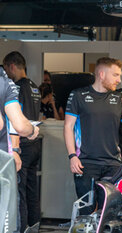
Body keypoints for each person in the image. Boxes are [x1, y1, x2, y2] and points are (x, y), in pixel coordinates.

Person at [64, 57, 122, 215]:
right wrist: (72, 156)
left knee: (109, 213)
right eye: (116, 75)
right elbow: (68, 127)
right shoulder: (78, 95)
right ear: (102, 74)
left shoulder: (119, 98)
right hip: (85, 163)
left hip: (113, 164)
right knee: (86, 212)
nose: (119, 80)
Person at [3, 51, 41, 233]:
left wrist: (15, 148)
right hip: (34, 144)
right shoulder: (35, 87)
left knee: (20, 193)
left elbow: (14, 122)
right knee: (33, 190)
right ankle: (34, 226)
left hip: (21, 145)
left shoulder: (15, 87)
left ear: (11, 66)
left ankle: (22, 228)